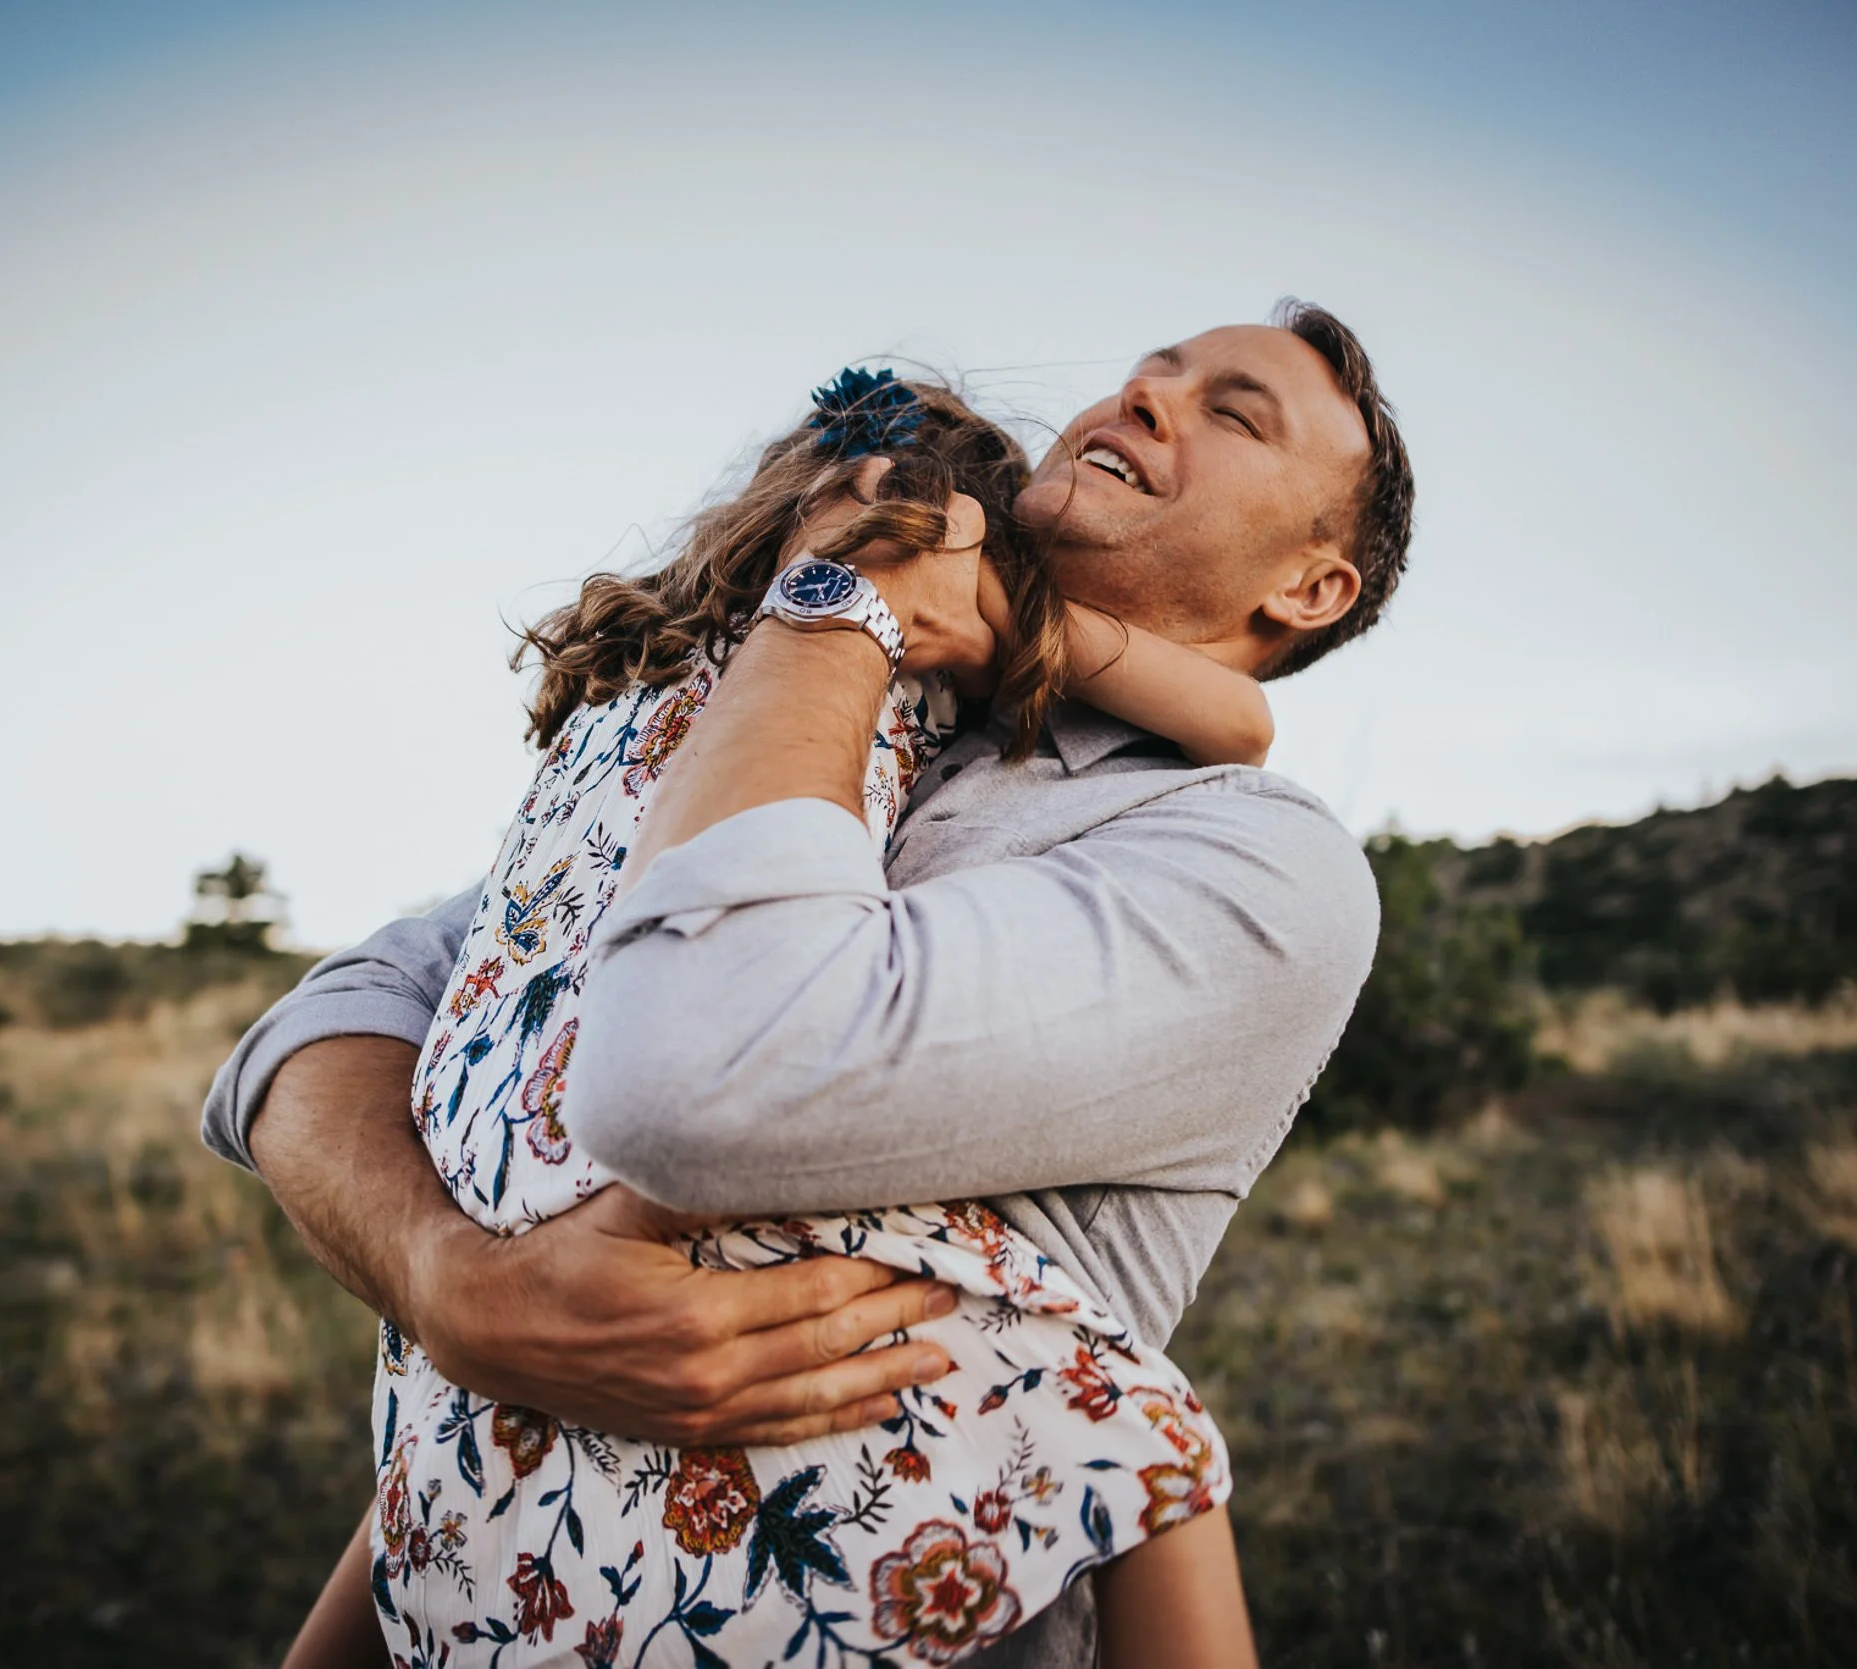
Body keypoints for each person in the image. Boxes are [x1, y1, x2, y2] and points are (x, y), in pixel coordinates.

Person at [206, 303, 1414, 1667]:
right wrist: (453, 1288)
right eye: (1151, 371)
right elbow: (326, 1024)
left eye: (1232, 411)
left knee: (1149, 1451)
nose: (1143, 393)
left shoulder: (1255, 859)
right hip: (515, 1551)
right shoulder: (755, 726)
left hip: (866, 1598)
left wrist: (846, 602)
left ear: (1311, 588)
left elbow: (696, 1065)